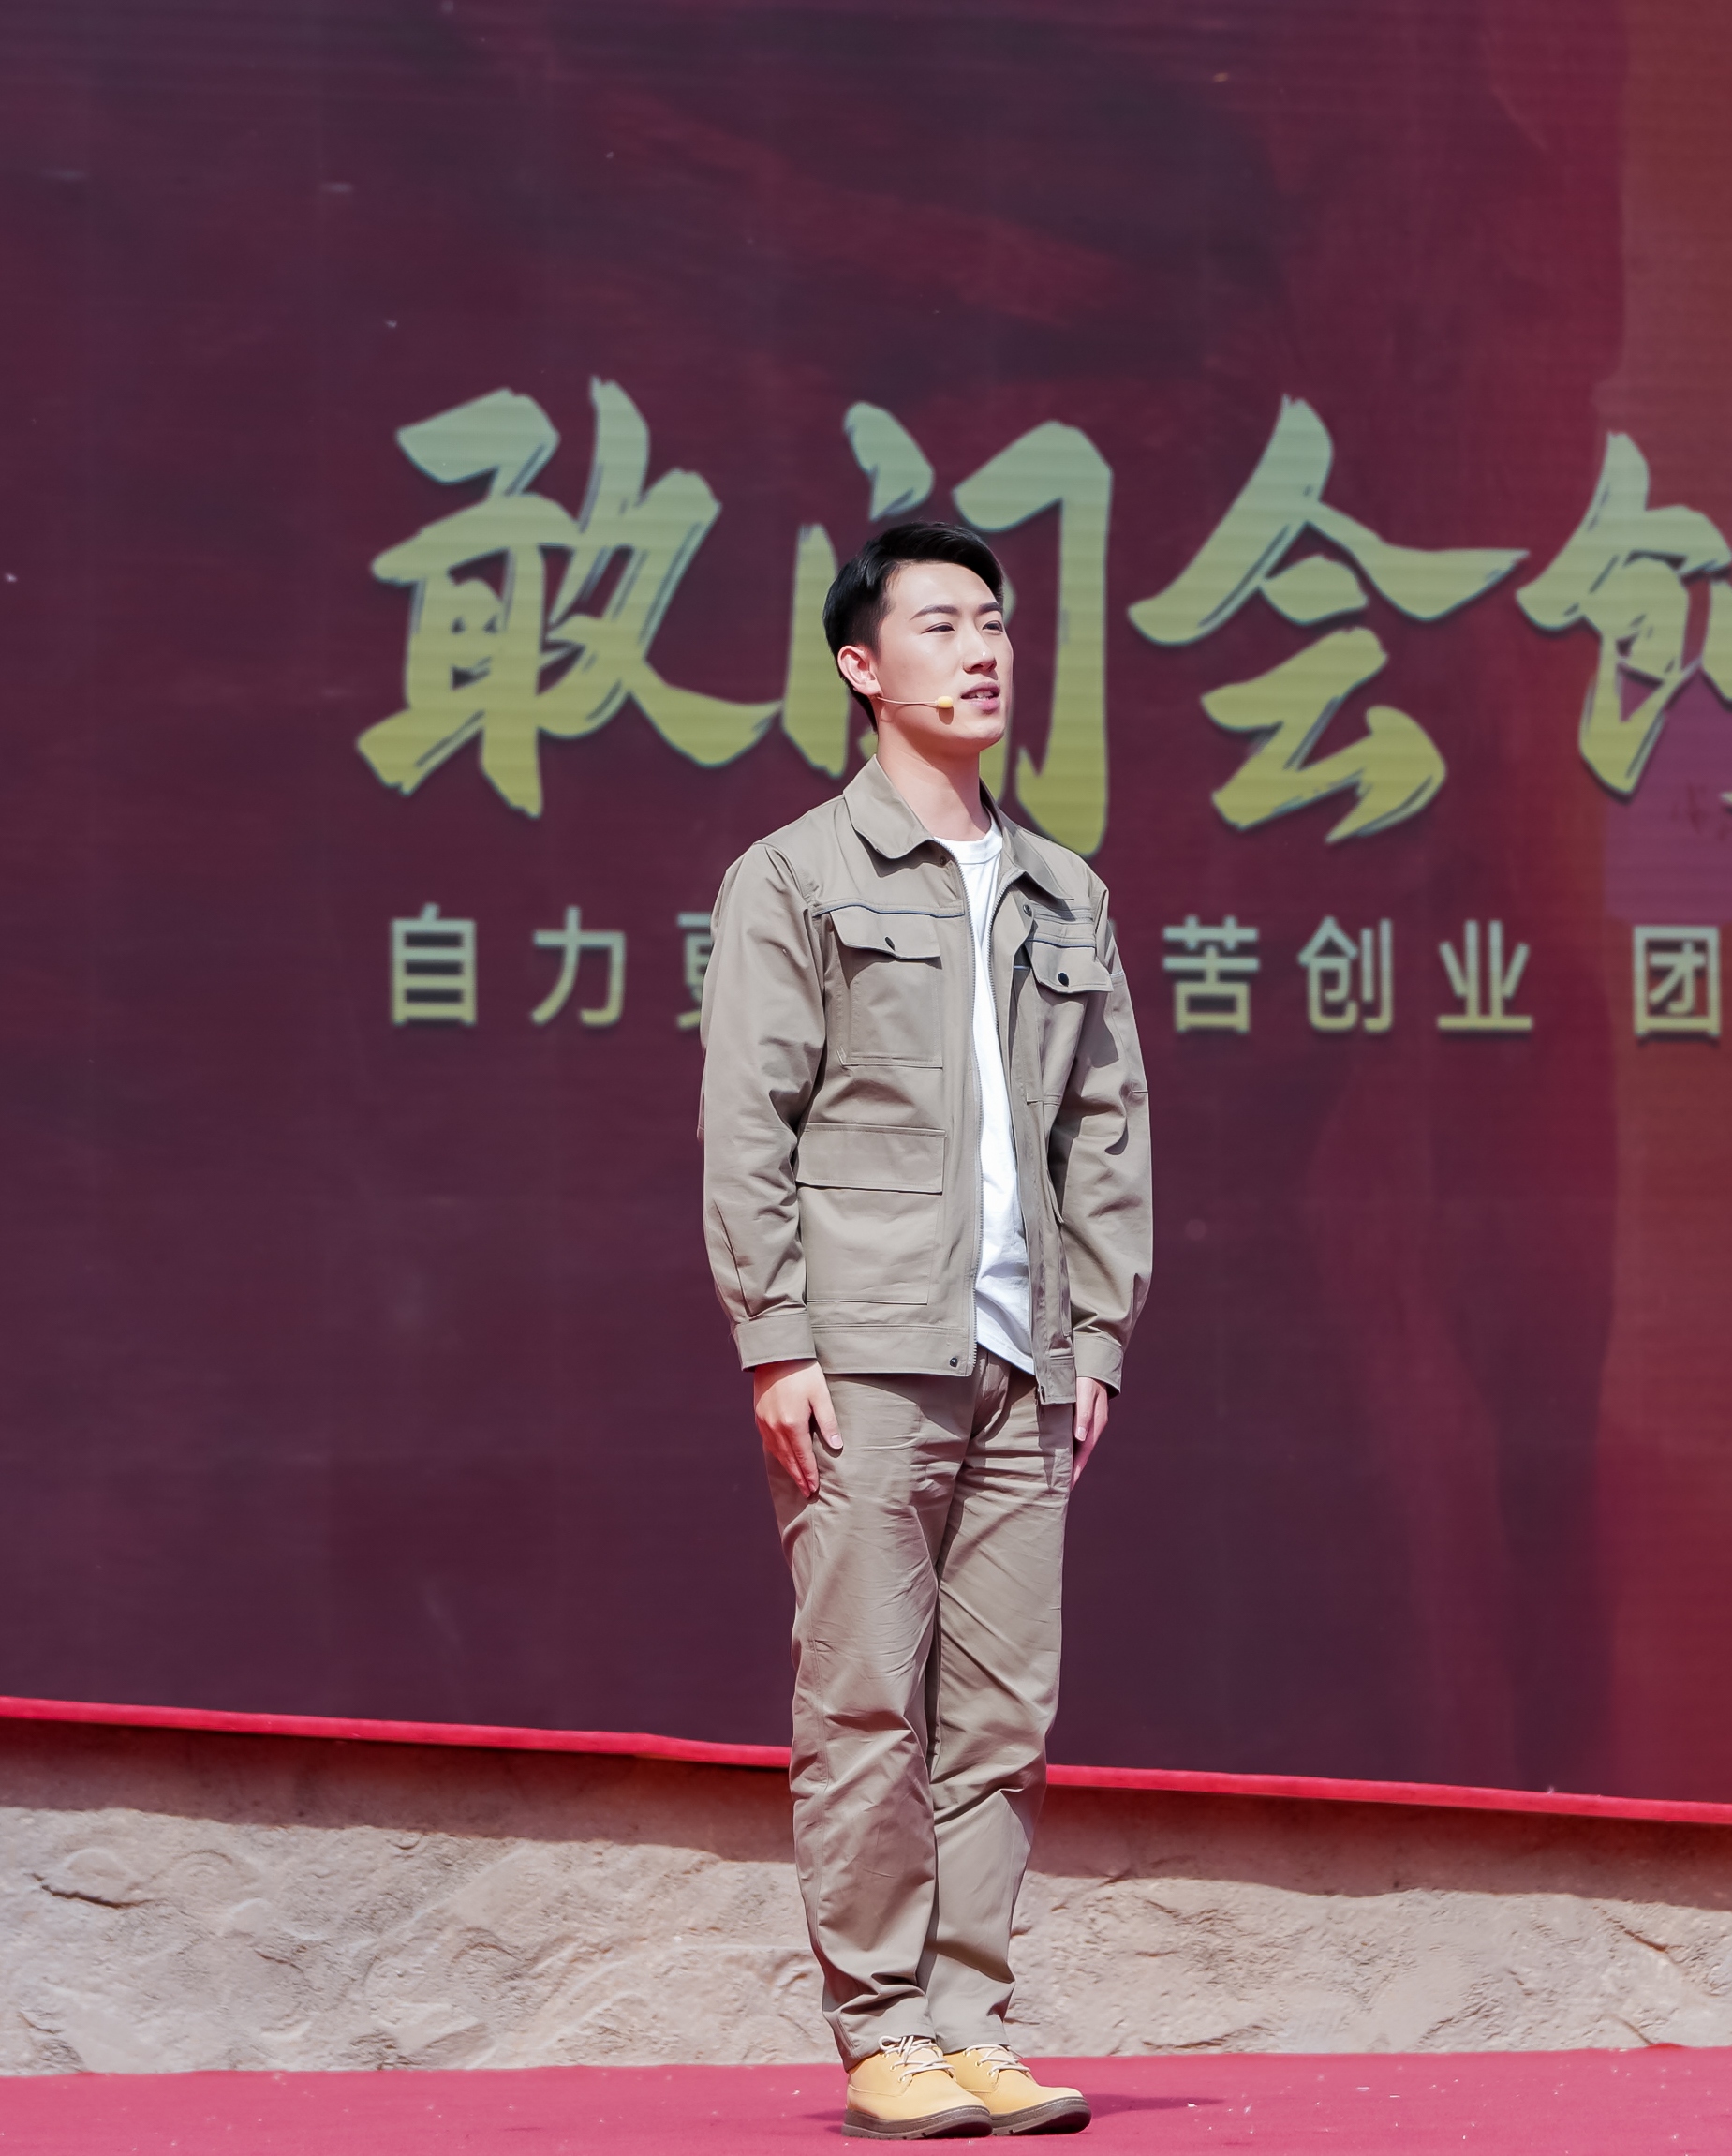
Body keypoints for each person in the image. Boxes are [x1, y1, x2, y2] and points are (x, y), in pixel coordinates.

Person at [699, 520, 1152, 2139]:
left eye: (994, 623)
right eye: (942, 623)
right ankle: (882, 2026)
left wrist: (1095, 1338)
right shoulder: (794, 875)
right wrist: (777, 1334)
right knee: (865, 1701)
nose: (983, 650)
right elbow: (747, 1122)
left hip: (1025, 1363)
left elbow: (1106, 1129)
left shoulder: (1061, 889)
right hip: (865, 1358)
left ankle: (970, 2021)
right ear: (860, 664)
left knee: (1002, 1715)